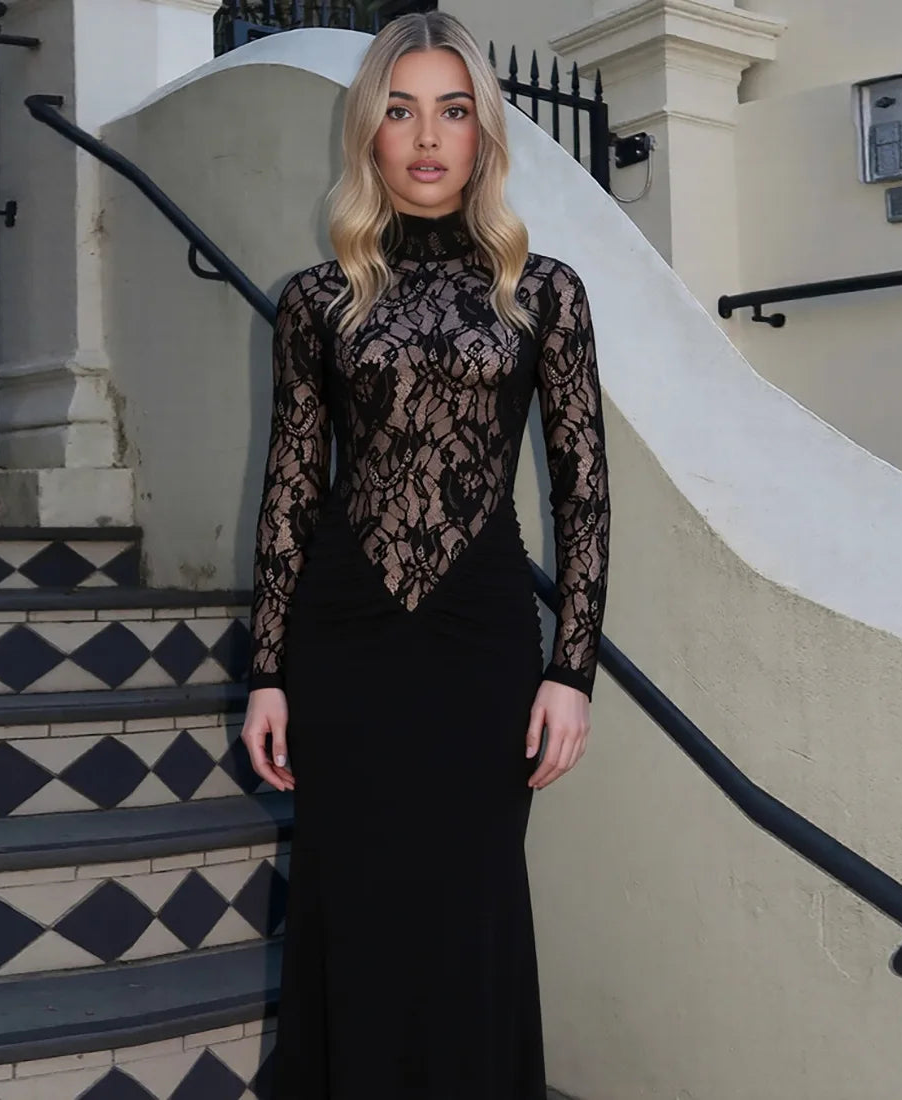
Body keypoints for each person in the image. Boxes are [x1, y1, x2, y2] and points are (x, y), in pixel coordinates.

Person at [239, 11, 610, 1098]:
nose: (426, 135)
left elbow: (583, 491)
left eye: (452, 110)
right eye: (399, 110)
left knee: (471, 912)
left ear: (482, 134)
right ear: (368, 134)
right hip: (343, 643)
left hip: (483, 642)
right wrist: (266, 671)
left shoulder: (546, 291)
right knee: (347, 912)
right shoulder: (315, 299)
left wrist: (570, 666)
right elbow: (292, 488)